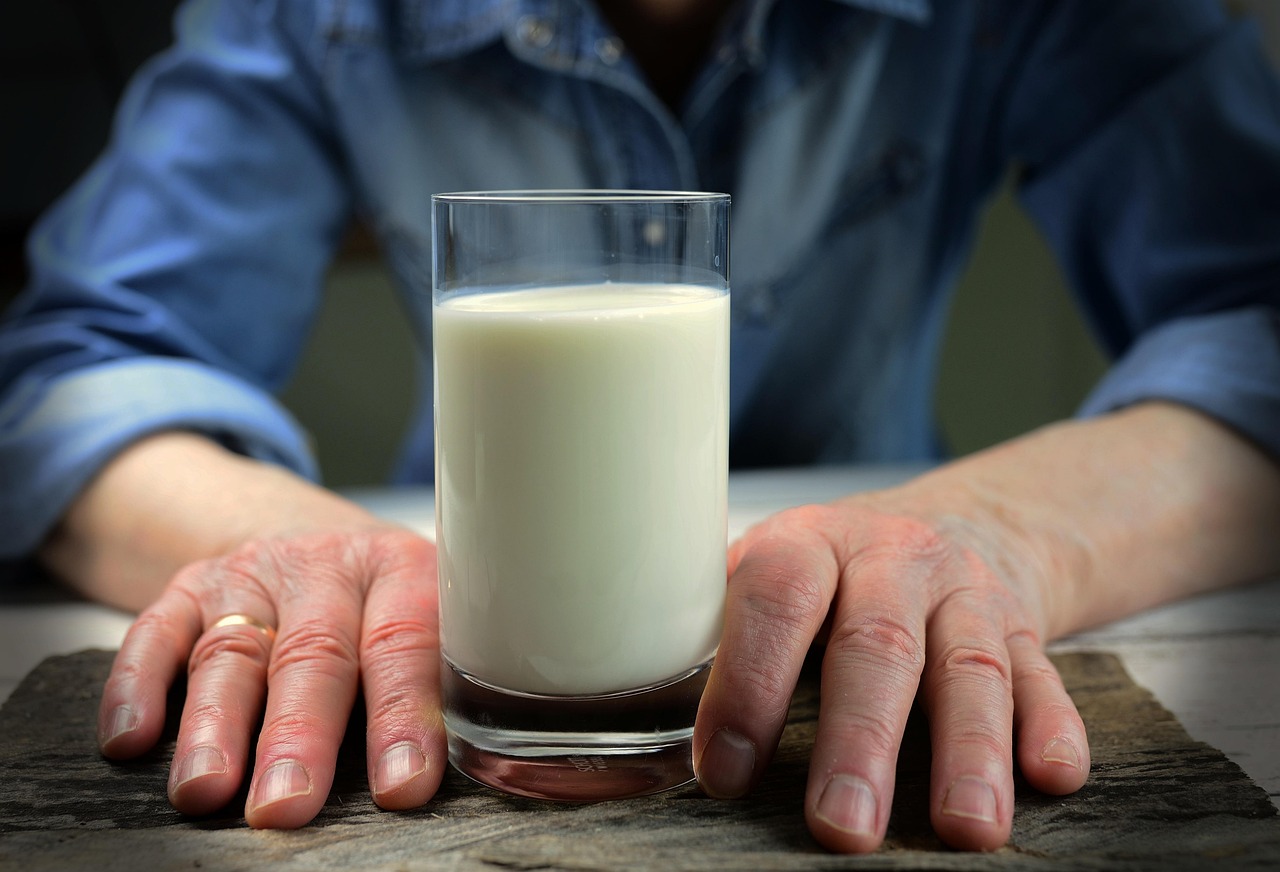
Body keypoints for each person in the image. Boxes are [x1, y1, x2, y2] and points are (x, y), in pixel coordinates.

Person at [2, 0, 1279, 855]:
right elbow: (67, 364)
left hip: (876, 567)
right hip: (471, 615)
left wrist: (990, 530)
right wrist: (296, 547)